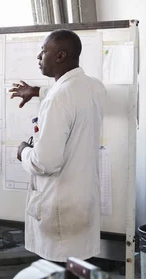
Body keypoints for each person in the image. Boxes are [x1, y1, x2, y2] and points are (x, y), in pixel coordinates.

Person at [8, 29, 106, 264]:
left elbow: (46, 162)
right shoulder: (94, 87)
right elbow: (66, 95)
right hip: (83, 205)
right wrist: (37, 91)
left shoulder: (58, 98)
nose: (39, 57)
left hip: (60, 208)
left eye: (44, 51)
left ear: (60, 56)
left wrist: (24, 152)